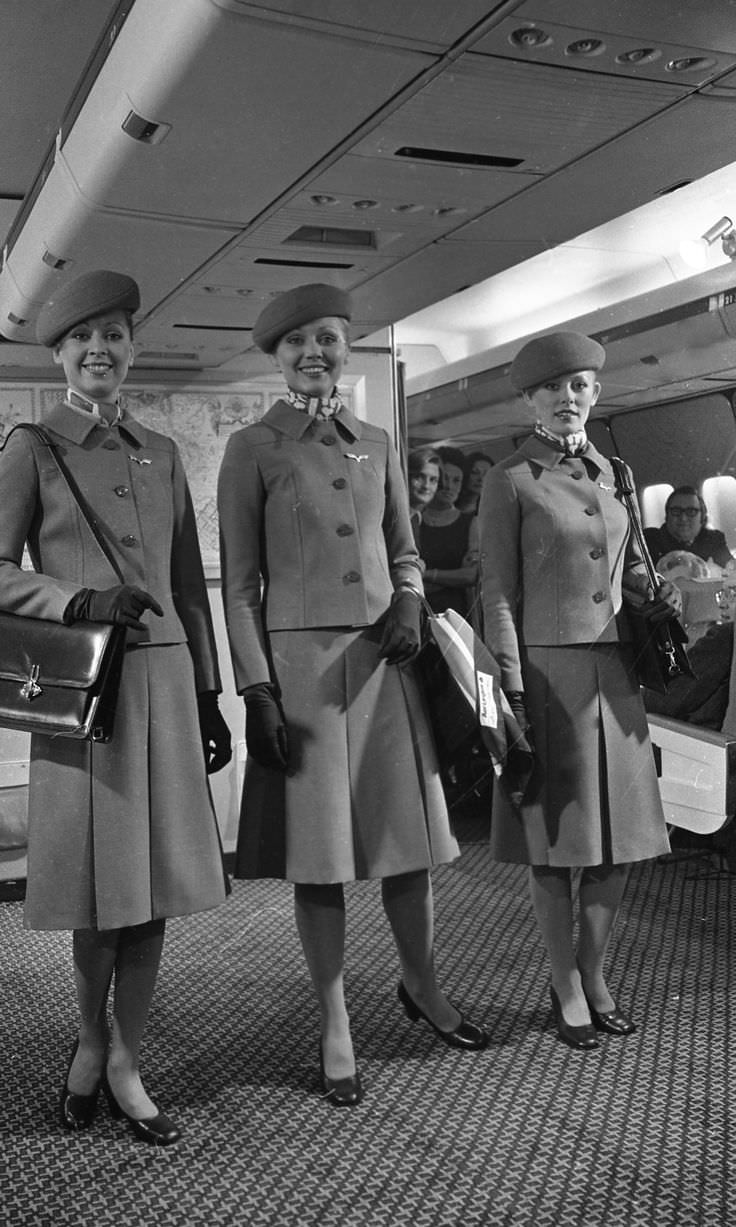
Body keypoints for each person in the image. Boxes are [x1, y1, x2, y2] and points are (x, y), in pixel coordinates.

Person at [217, 283, 488, 1108]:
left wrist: (408, 596)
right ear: (276, 355)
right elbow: (239, 586)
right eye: (298, 341)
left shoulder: (376, 439)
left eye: (329, 339)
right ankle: (335, 1021)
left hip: (384, 666)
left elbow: (404, 550)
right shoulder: (252, 447)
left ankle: (423, 985)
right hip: (302, 680)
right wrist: (256, 687)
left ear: (345, 346)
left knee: (409, 848)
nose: (315, 353)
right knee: (323, 860)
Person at [0, 270, 232, 1143]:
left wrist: (209, 692)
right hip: (87, 695)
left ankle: (127, 1055)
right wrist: (77, 599)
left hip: (165, 689)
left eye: (115, 334)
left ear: (133, 347)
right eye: (82, 336)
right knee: (101, 889)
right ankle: (91, 1041)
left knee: (154, 886)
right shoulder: (31, 446)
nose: (100, 348)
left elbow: (187, 590)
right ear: (59, 353)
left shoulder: (161, 451)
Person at [478, 331, 679, 1051]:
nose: (570, 398)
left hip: (617, 673)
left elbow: (623, 566)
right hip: (547, 674)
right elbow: (496, 591)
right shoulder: (510, 479)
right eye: (555, 386)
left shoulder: (615, 472)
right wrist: (507, 682)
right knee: (554, 845)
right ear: (530, 397)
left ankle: (594, 976)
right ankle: (563, 982)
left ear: (597, 393)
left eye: (582, 385)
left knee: (617, 843)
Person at [419, 446, 476, 615]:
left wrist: (426, 575)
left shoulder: (471, 523)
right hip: (419, 610)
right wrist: (450, 578)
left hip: (456, 614)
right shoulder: (414, 520)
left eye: (456, 480)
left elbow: (470, 576)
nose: (449, 486)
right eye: (444, 479)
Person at [645, 486, 734, 568]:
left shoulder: (714, 540)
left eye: (691, 511)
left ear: (702, 517)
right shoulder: (649, 541)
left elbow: (731, 569)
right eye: (676, 511)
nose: (683, 518)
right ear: (667, 516)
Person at [407, 446, 442, 546]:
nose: (426, 486)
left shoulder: (416, 516)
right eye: (419, 477)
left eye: (433, 480)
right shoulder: (394, 516)